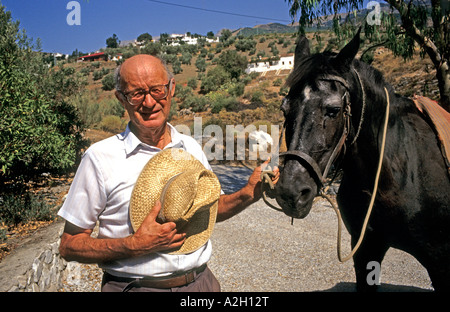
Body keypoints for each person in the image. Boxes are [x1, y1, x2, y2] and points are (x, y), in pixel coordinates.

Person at [58, 54, 279, 292]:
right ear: (121, 99)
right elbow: (69, 245)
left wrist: (248, 192)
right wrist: (133, 245)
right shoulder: (100, 157)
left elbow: (212, 208)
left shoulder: (190, 147)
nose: (149, 102)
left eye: (157, 90)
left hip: (201, 284)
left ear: (171, 89)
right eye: (136, 94)